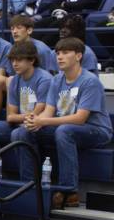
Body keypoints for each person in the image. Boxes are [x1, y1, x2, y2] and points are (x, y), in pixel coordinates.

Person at [12, 37, 113, 209]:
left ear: (79, 56)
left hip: (96, 130)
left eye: (66, 53)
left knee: (64, 131)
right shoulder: (56, 80)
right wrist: (34, 121)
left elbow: (80, 118)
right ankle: (29, 185)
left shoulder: (90, 81)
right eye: (58, 53)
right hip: (65, 128)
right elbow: (49, 111)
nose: (59, 57)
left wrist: (43, 120)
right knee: (20, 132)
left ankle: (69, 190)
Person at [0, 40, 53, 144]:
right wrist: (18, 118)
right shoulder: (14, 80)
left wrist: (18, 118)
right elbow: (10, 117)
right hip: (20, 124)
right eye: (12, 60)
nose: (14, 64)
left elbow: (37, 114)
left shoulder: (44, 79)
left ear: (31, 60)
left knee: (19, 133)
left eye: (19, 60)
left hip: (39, 126)